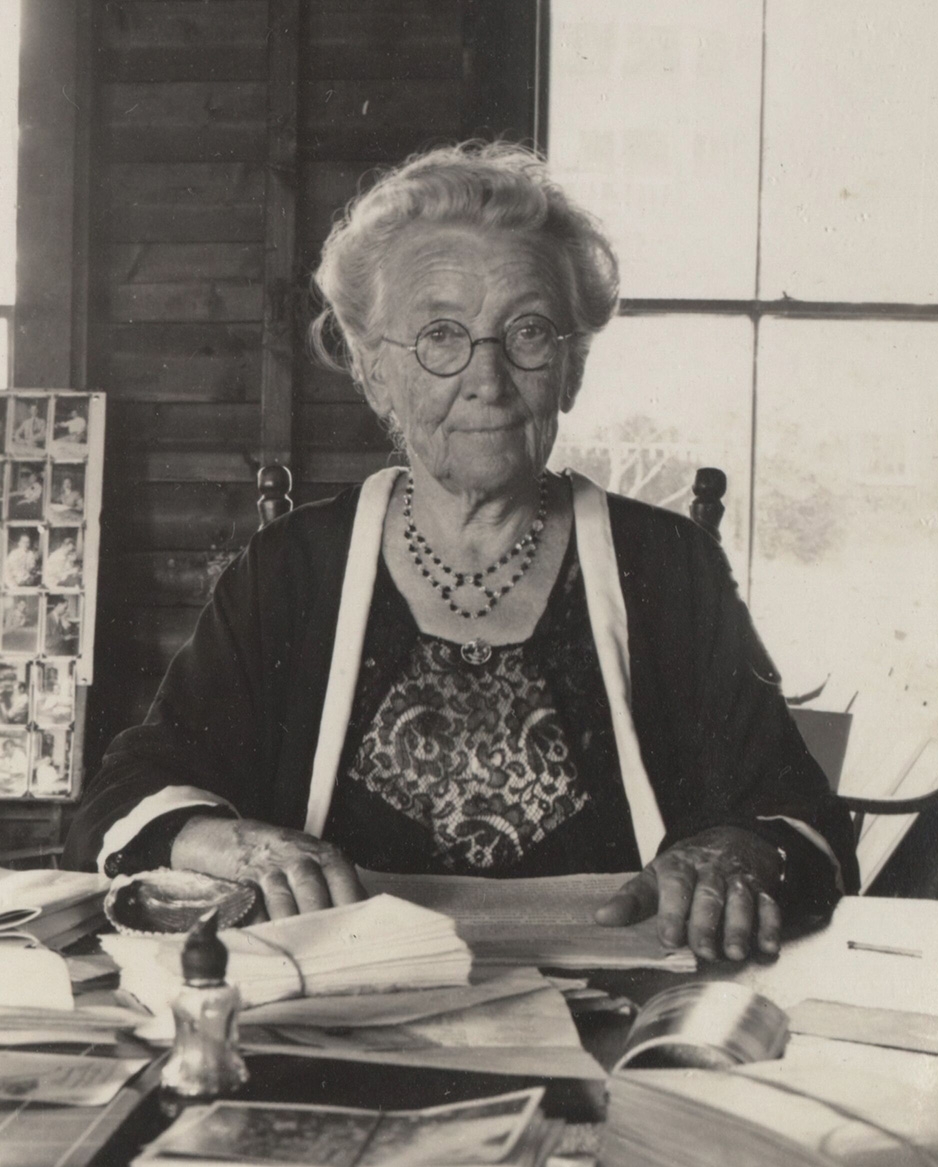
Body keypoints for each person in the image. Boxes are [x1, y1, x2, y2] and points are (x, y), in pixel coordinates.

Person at [64, 143, 858, 961]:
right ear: (375, 373)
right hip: (343, 1013)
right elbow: (122, 799)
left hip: (617, 1012)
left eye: (529, 333)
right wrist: (237, 848)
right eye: (441, 336)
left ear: (572, 369)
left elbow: (801, 818)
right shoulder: (293, 571)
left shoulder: (667, 567)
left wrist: (738, 854)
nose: (488, 378)